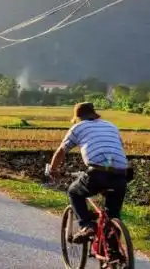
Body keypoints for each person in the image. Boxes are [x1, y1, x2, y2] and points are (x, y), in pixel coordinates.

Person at [49, 102, 130, 244]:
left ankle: (86, 225)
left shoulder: (78, 127)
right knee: (113, 214)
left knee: (74, 192)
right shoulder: (111, 126)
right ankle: (114, 250)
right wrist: (107, 166)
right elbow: (114, 151)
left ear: (78, 117)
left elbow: (62, 151)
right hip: (121, 173)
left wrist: (53, 169)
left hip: (97, 173)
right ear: (94, 114)